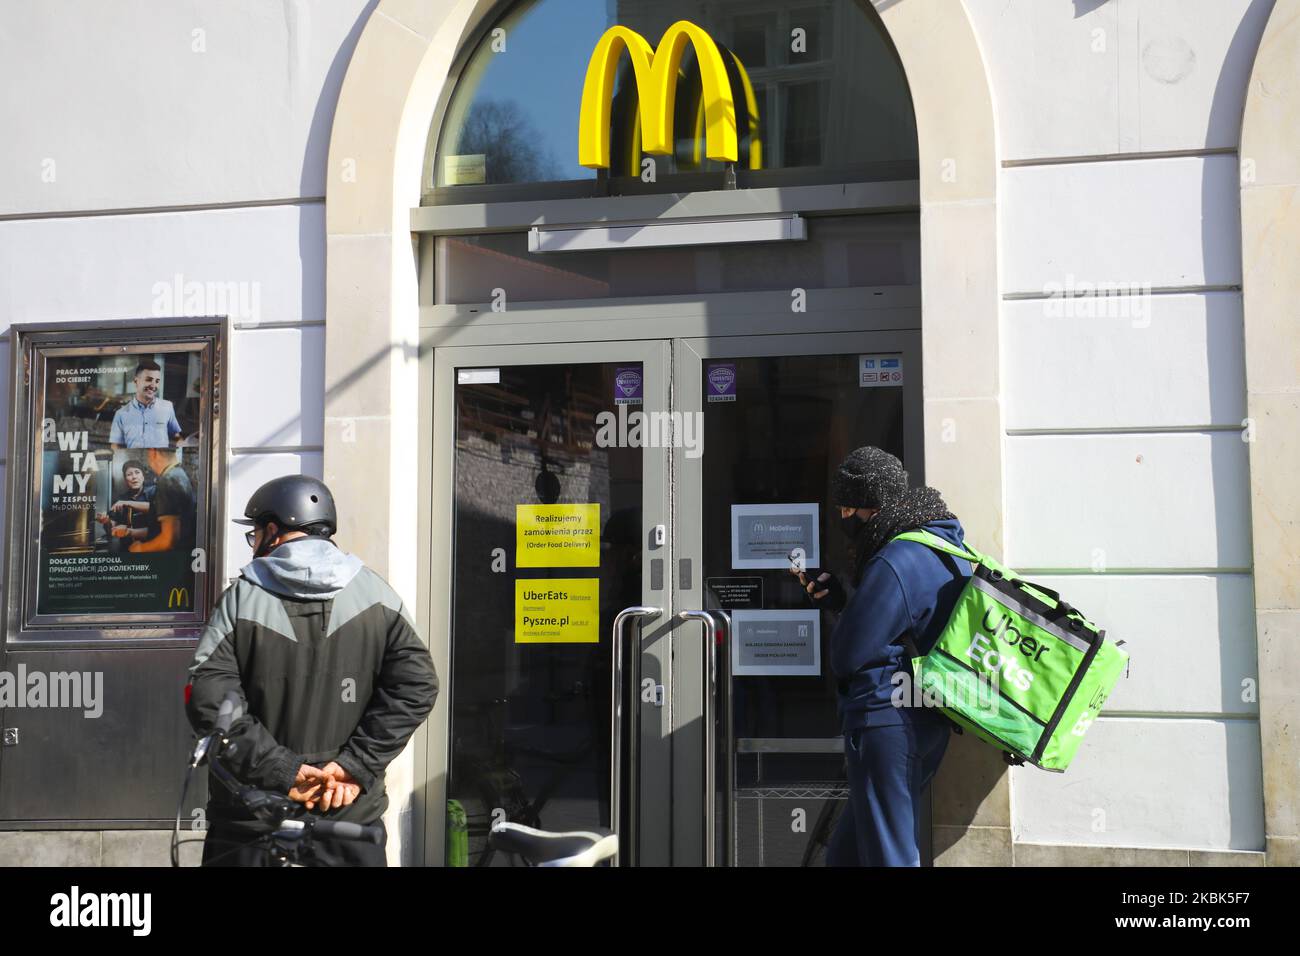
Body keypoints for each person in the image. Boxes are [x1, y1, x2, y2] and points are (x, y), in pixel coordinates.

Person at [185, 475, 438, 866]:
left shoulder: (240, 599)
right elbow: (418, 686)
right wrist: (353, 767)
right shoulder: (378, 595)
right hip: (349, 823)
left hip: (253, 827)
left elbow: (208, 697)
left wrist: (285, 772)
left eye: (254, 535)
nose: (254, 545)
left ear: (273, 530)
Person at [792, 446, 971, 867]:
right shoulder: (943, 548)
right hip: (925, 718)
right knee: (848, 855)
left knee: (890, 856)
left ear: (867, 506)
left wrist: (843, 615)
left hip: (886, 724)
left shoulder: (896, 559)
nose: (843, 519)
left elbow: (850, 653)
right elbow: (902, 625)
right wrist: (842, 601)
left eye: (846, 508)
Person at [128, 447, 194, 554]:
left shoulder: (168, 480)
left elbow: (169, 540)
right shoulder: (179, 473)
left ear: (153, 452)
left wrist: (140, 548)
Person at [110, 359, 183, 450]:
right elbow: (115, 446)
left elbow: (176, 437)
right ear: (136, 381)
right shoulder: (121, 414)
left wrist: (183, 445)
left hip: (161, 463)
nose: (153, 385)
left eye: (157, 381)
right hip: (133, 463)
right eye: (149, 380)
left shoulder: (167, 407)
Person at [95, 458, 154, 547]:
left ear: (143, 475)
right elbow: (112, 527)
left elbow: (154, 508)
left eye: (137, 472)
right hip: (128, 549)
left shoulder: (153, 491)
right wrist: (106, 521)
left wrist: (127, 503)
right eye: (129, 474)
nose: (134, 477)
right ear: (125, 479)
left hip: (152, 546)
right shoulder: (121, 498)